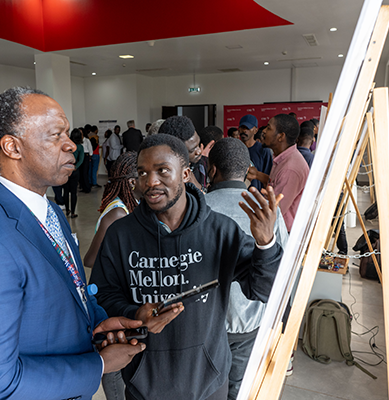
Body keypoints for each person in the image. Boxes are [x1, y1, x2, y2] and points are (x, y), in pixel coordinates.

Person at [0, 87, 146, 400]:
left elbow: (65, 286)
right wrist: (98, 365)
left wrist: (99, 322)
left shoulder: (44, 208)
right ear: (13, 147)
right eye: (55, 135)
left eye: (67, 132)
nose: (70, 144)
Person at [90, 133, 283, 400]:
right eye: (143, 173)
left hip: (209, 381)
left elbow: (265, 289)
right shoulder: (120, 234)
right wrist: (135, 313)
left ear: (185, 173)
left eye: (162, 171)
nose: (151, 182)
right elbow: (104, 297)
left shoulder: (221, 230)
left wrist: (266, 243)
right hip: (145, 383)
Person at [205, 138, 289, 400]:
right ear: (247, 170)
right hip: (252, 321)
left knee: (208, 386)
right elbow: (281, 267)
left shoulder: (197, 209)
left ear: (212, 170)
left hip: (208, 324)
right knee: (240, 387)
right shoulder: (266, 210)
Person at [84, 151, 141, 400]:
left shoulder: (130, 206)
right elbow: (91, 258)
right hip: (108, 295)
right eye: (144, 174)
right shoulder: (117, 213)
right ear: (130, 181)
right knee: (114, 363)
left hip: (122, 291)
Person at [248, 114, 309, 232]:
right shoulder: (282, 159)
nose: (264, 131)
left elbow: (275, 210)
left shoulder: (290, 168)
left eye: (269, 128)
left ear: (281, 136)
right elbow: (276, 183)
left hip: (286, 233)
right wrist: (257, 175)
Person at [158, 116, 205, 190]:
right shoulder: (163, 178)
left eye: (198, 145)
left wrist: (199, 188)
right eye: (192, 150)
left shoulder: (204, 164)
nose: (199, 151)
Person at [238, 114, 272, 191]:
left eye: (248, 128)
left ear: (255, 130)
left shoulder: (264, 151)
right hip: (238, 196)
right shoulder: (234, 149)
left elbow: (269, 179)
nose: (244, 131)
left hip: (257, 197)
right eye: (242, 127)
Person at [63, 128, 85, 218]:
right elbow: (81, 159)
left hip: (66, 170)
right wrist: (75, 167)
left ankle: (67, 210)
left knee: (65, 191)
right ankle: (73, 212)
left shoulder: (67, 146)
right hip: (75, 170)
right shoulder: (80, 147)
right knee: (73, 192)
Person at [80, 127, 92, 193]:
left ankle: (87, 188)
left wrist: (90, 157)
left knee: (85, 173)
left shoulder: (87, 140)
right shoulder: (78, 140)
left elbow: (90, 150)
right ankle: (83, 187)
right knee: (81, 173)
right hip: (80, 156)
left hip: (86, 156)